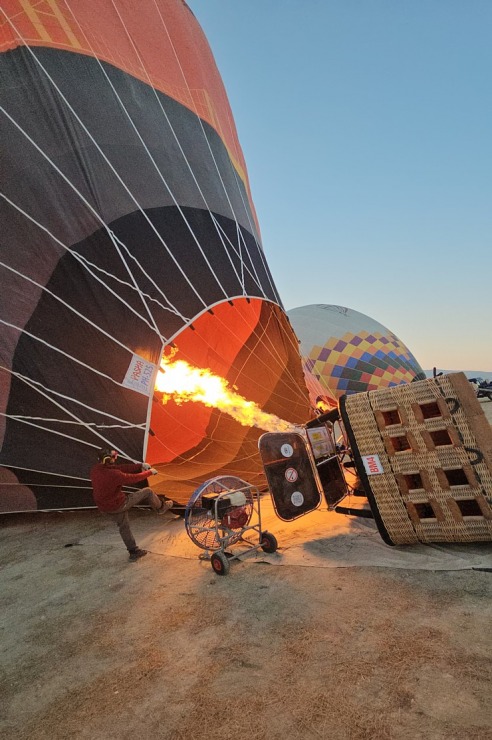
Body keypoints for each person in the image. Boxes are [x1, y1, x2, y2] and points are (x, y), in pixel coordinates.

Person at [90, 448, 174, 562]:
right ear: (111, 459)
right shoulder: (114, 474)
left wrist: (140, 465)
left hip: (103, 506)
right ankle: (161, 507)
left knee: (123, 526)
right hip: (118, 504)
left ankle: (133, 551)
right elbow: (132, 478)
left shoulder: (96, 469)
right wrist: (149, 472)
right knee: (148, 491)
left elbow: (120, 468)